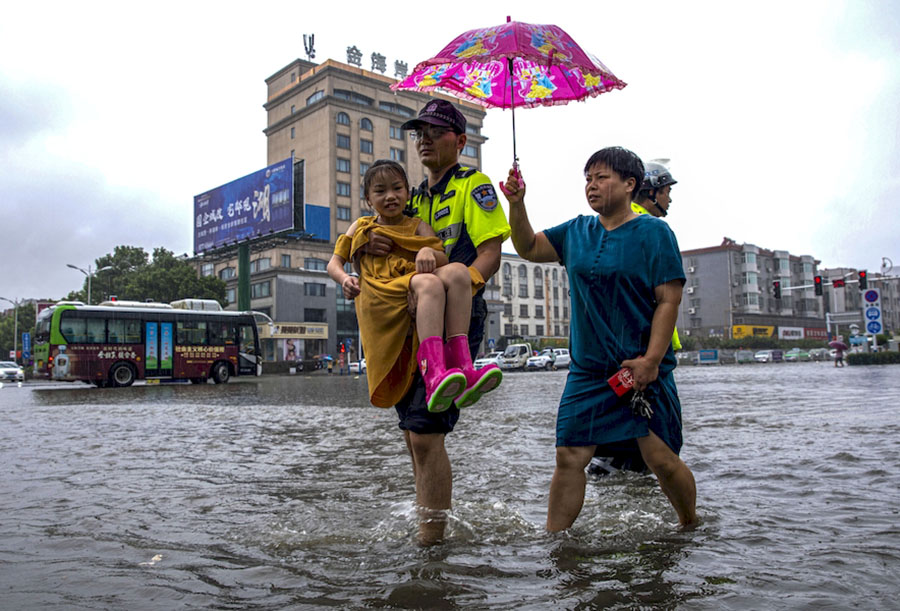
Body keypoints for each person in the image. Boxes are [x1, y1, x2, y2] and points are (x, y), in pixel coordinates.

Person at [500, 146, 698, 529]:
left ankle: (690, 525)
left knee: (660, 458)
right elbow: (526, 247)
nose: (591, 186)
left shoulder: (655, 233)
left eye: (601, 178)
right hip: (589, 372)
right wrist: (517, 204)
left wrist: (651, 361)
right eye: (587, 179)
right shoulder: (576, 231)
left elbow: (668, 300)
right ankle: (555, 541)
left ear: (629, 184)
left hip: (639, 370)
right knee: (570, 456)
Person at [364, 100, 511, 544]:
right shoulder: (410, 198)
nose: (423, 139)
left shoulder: (474, 185)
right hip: (402, 322)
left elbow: (489, 256)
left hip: (453, 318)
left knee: (426, 434)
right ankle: (431, 526)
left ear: (460, 141)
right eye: (418, 132)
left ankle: (431, 546)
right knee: (412, 433)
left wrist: (454, 282)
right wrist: (370, 242)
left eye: (435, 130)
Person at [327, 160, 502, 413]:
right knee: (429, 282)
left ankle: (463, 367)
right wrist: (345, 279)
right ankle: (433, 374)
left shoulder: (417, 226)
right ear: (368, 199)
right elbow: (334, 263)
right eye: (380, 191)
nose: (390, 196)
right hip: (382, 293)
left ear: (408, 193)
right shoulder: (361, 227)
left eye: (397, 188)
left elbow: (442, 257)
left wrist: (427, 251)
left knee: (458, 272)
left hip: (411, 286)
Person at [591, 160, 682, 477]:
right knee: (655, 444)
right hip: (644, 353)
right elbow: (663, 298)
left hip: (625, 350)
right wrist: (654, 356)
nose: (670, 199)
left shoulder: (617, 225)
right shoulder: (647, 228)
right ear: (651, 191)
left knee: (624, 442)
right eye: (667, 191)